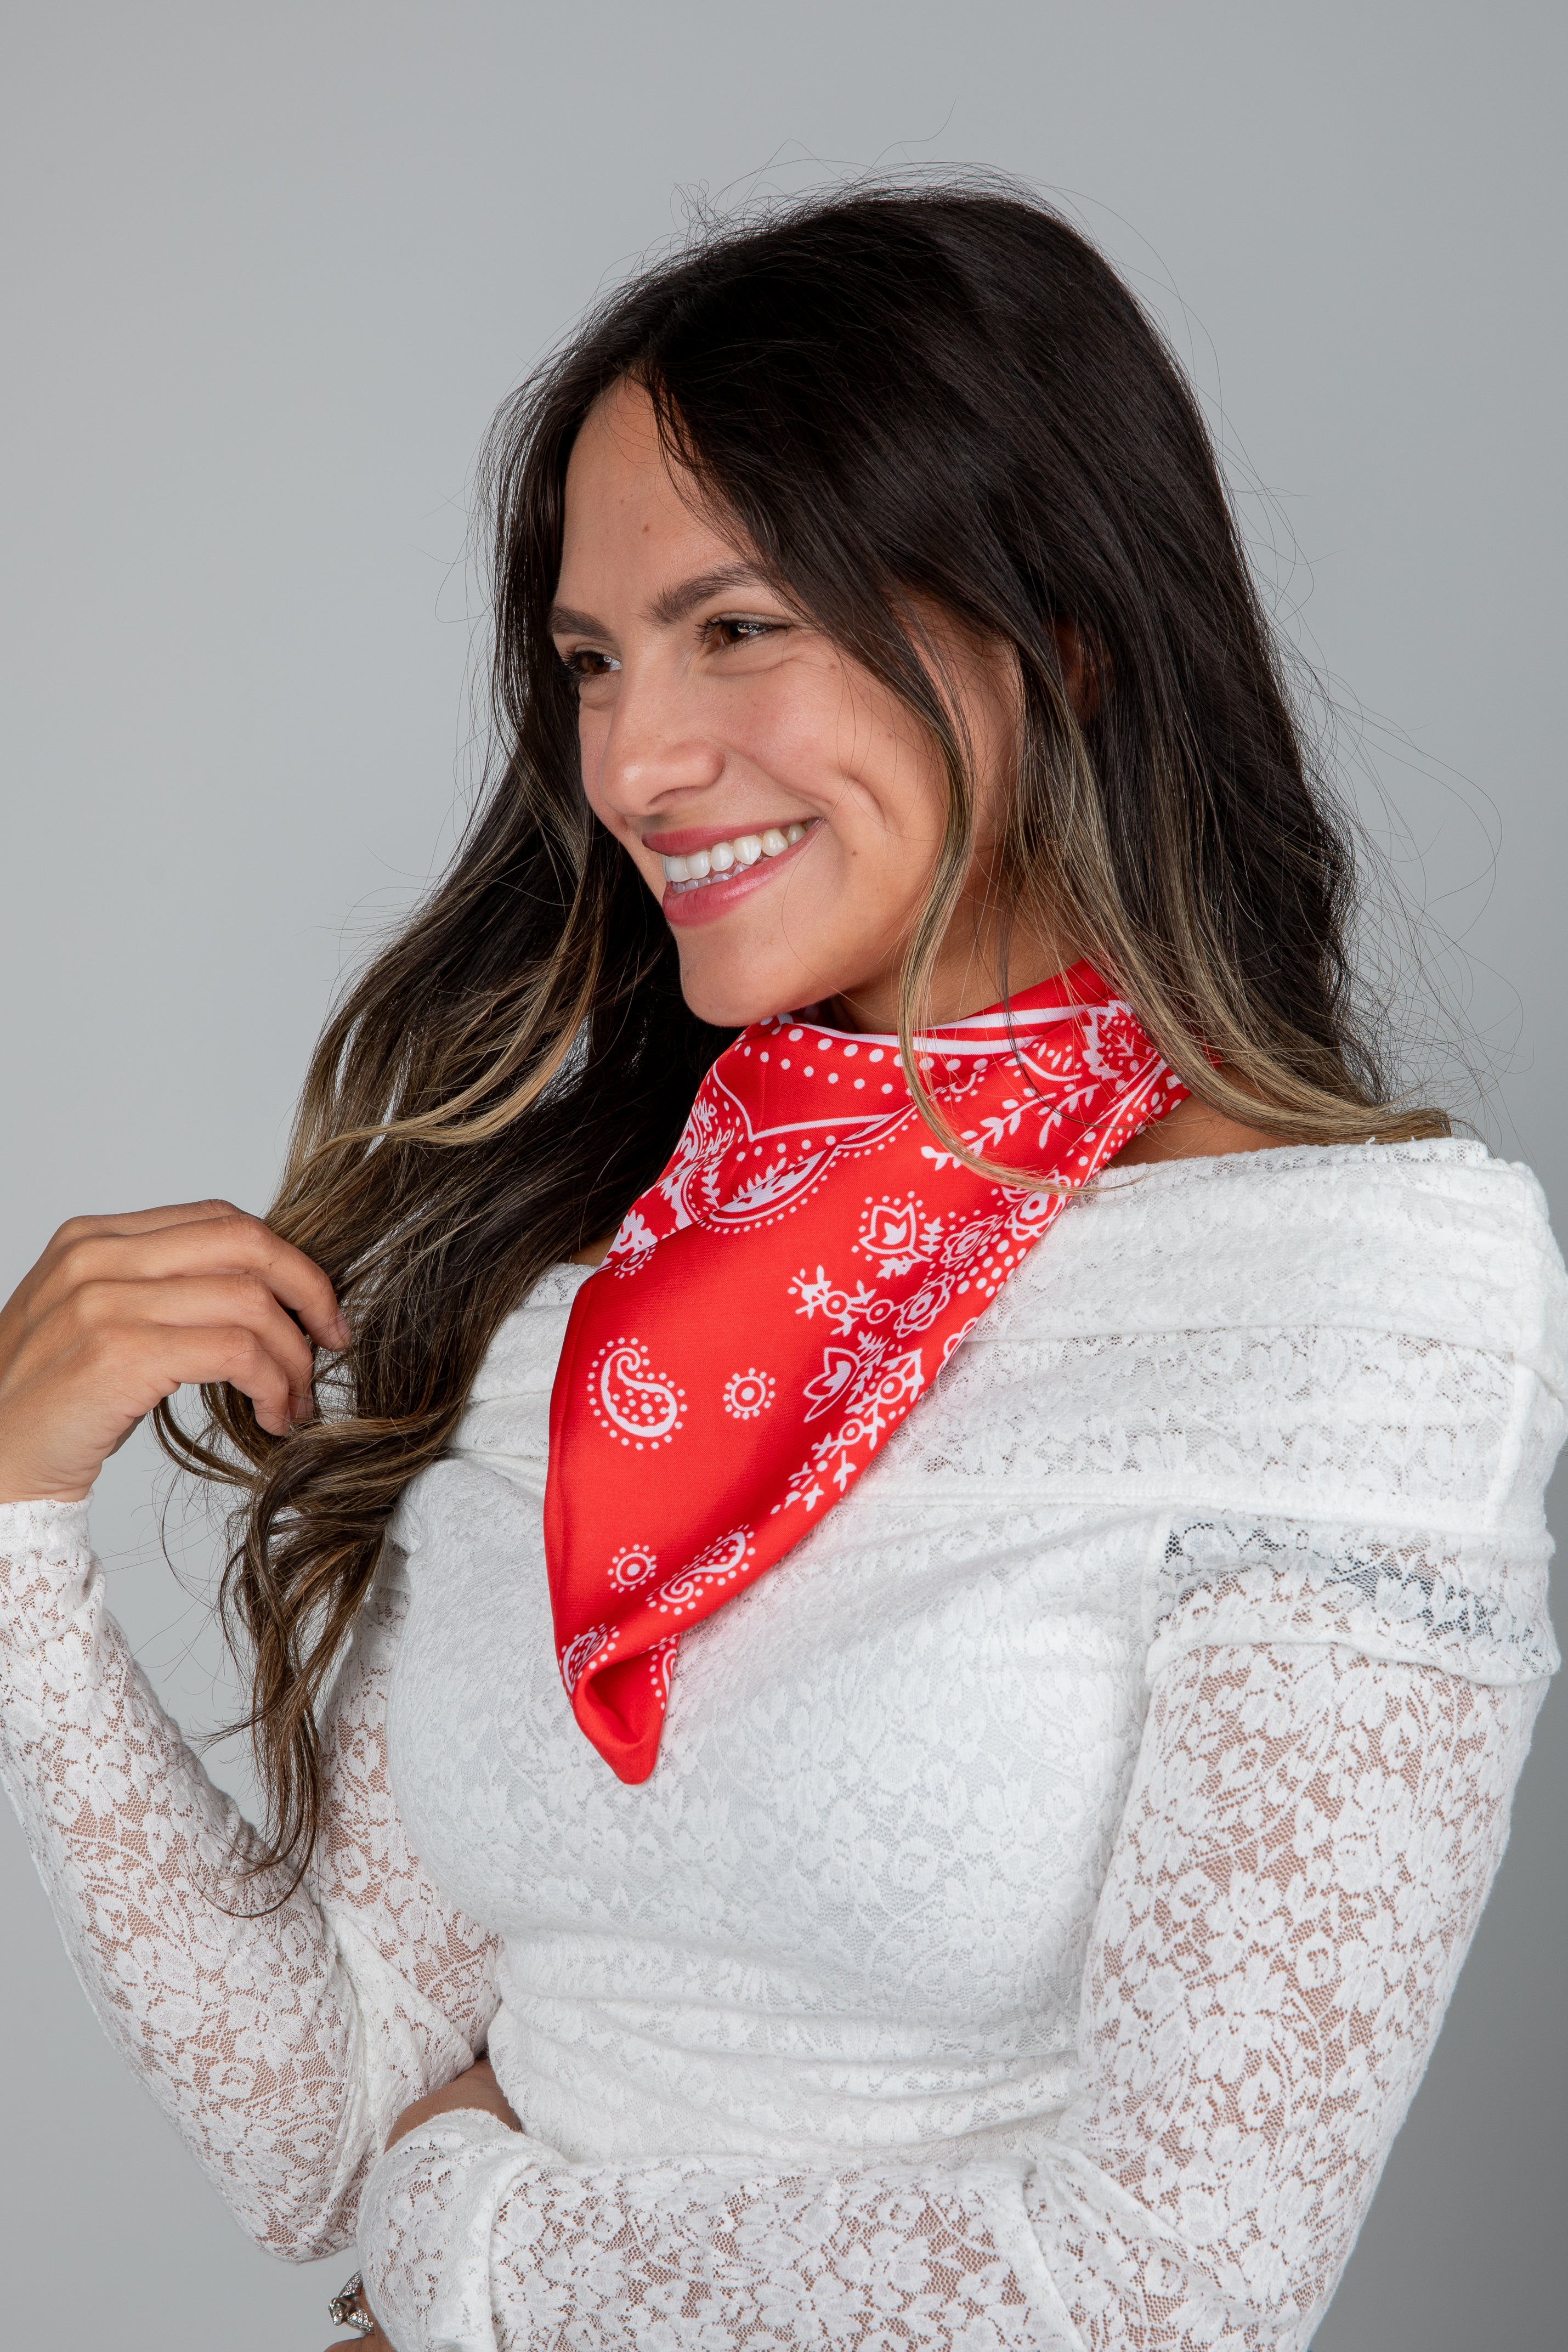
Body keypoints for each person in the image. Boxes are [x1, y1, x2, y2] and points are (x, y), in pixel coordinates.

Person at [0, 182, 1561, 2352]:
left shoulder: (1355, 1300)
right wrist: (16, 1536)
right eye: (590, 661)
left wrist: (459, 2246)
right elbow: (317, 2114)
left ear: (1061, 624)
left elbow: (1161, 2297)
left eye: (739, 626)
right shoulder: (589, 1284)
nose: (633, 760)